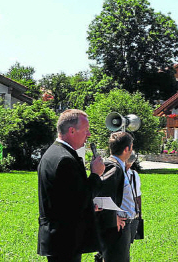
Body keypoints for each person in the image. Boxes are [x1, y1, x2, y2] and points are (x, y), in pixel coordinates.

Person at [37, 109, 105, 262]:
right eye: (86, 130)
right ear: (72, 130)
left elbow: (66, 199)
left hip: (58, 237)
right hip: (65, 238)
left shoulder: (53, 153)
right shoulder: (65, 159)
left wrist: (88, 205)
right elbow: (79, 199)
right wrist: (95, 174)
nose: (89, 135)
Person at [96, 131, 136, 262]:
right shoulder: (113, 166)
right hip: (117, 228)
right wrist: (113, 218)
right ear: (127, 149)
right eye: (131, 146)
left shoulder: (117, 165)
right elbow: (101, 196)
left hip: (121, 226)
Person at [126, 152, 142, 243]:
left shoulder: (133, 175)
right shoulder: (134, 174)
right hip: (129, 213)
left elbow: (137, 195)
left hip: (128, 215)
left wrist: (139, 214)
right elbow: (138, 196)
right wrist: (139, 213)